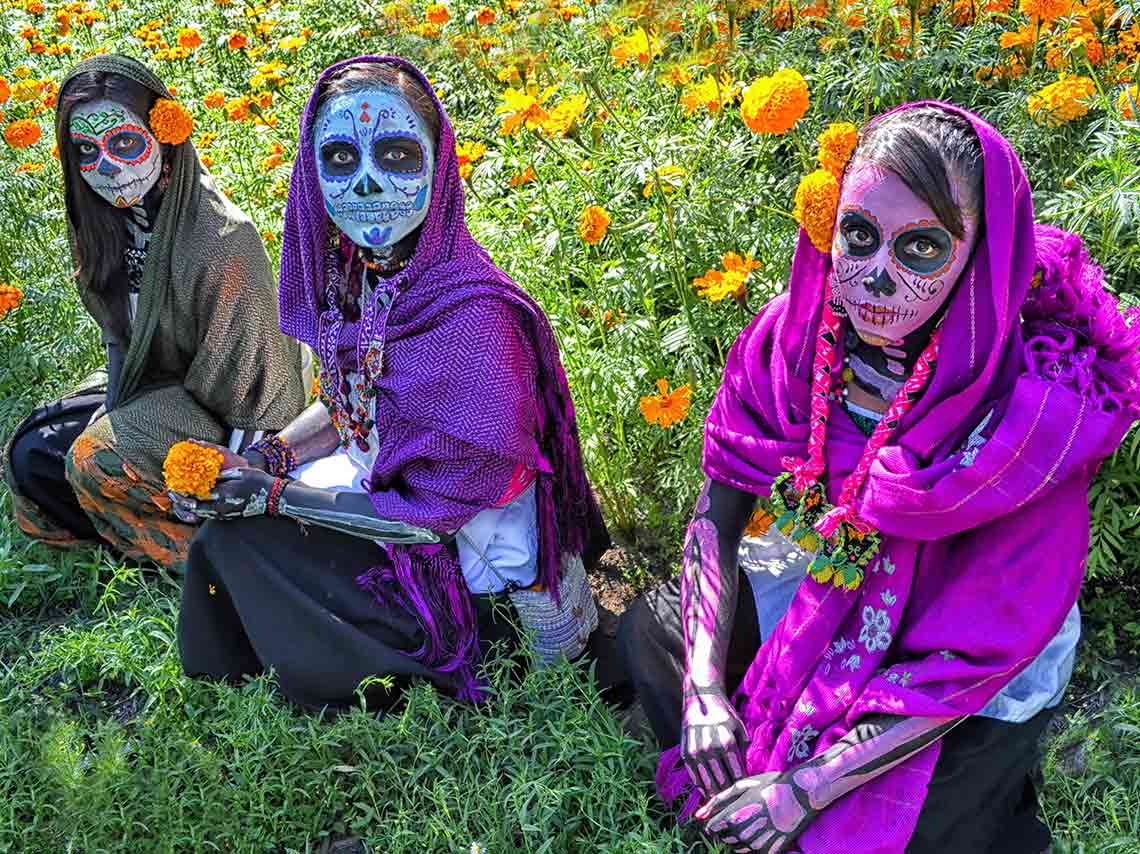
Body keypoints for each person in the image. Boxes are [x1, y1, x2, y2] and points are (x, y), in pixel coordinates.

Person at [617, 102, 1140, 853]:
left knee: (899, 826)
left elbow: (978, 652)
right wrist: (702, 690)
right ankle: (743, 758)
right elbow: (716, 513)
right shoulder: (794, 339)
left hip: (952, 657)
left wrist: (805, 790)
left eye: (921, 249)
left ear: (981, 256)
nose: (872, 279)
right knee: (655, 636)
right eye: (857, 235)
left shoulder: (1028, 419)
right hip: (819, 584)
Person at [175, 55, 610, 710]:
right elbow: (347, 406)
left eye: (399, 156)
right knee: (229, 535)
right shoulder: (362, 275)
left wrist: (275, 498)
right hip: (392, 506)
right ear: (311, 175)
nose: (370, 185)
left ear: (441, 166)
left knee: (254, 543)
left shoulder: (475, 326)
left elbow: (428, 525)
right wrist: (267, 458)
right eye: (342, 160)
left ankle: (381, 678)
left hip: (476, 592)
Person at [2, 55, 306, 572]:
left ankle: (224, 562)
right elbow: (119, 341)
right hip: (157, 387)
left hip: (237, 417)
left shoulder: (223, 242)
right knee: (33, 450)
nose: (109, 168)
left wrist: (248, 482)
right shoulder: (104, 221)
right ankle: (120, 511)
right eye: (87, 151)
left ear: (164, 132)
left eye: (124, 143)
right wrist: (118, 412)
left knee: (92, 457)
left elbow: (262, 394)